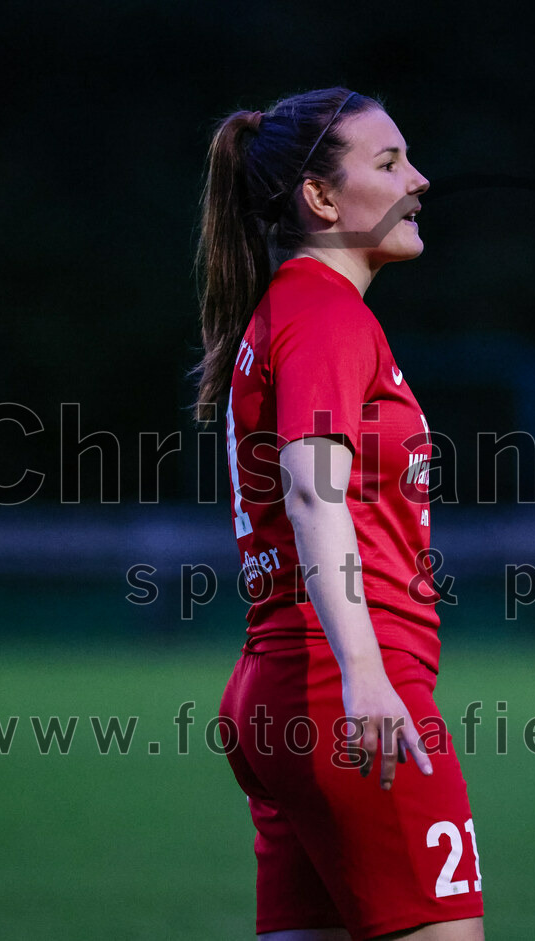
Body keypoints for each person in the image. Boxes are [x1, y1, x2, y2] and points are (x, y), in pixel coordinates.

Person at [194, 87, 485, 941]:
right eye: (389, 163)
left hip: (281, 691)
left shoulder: (286, 311)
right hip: (343, 691)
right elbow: (312, 490)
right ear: (321, 199)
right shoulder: (323, 311)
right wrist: (366, 675)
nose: (419, 180)